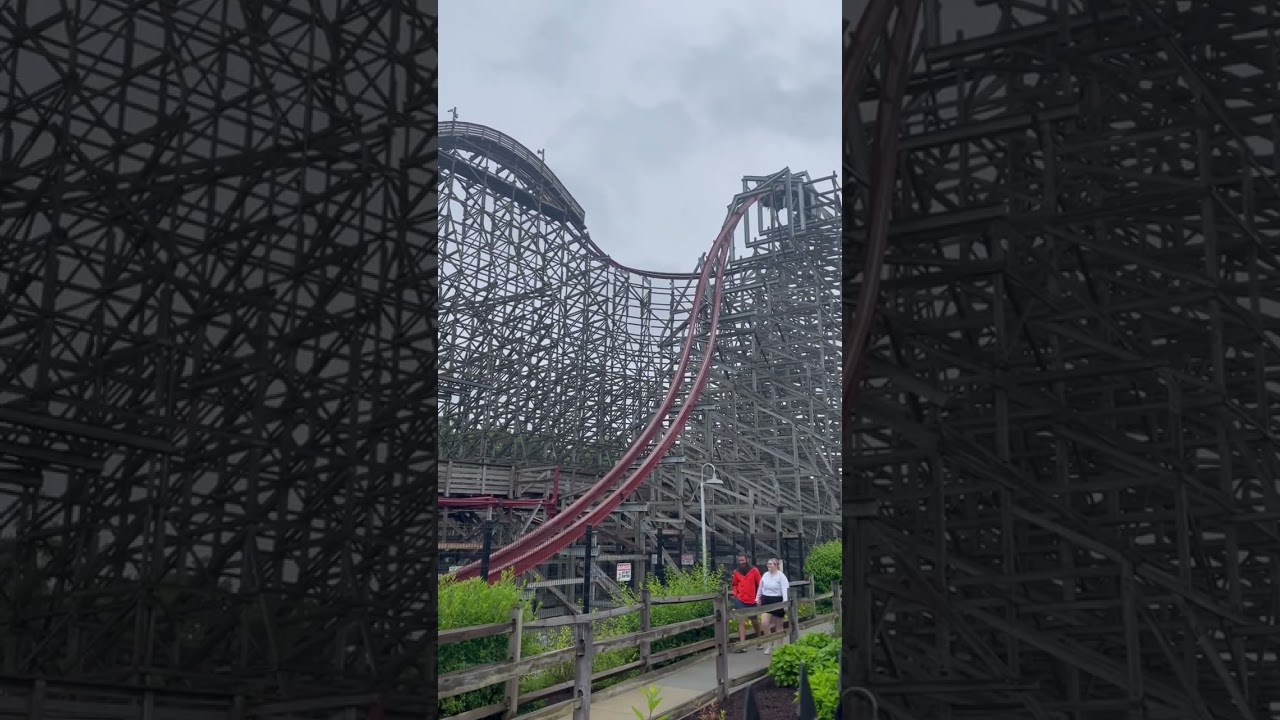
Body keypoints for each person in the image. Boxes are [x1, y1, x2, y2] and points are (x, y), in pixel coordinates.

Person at [755, 557, 790, 655]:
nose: (768, 565)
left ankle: (779, 647)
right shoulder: (765, 575)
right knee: (764, 623)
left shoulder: (781, 576)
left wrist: (785, 603)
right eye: (768, 564)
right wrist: (757, 598)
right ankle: (770, 644)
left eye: (770, 564)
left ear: (776, 565)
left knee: (778, 625)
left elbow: (785, 590)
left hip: (777, 600)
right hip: (767, 600)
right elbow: (760, 587)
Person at [730, 555, 762, 651]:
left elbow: (760, 584)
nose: (741, 562)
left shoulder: (754, 571)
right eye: (739, 560)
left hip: (752, 600)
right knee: (741, 621)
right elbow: (734, 584)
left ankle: (759, 641)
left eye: (742, 560)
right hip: (740, 600)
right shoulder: (736, 572)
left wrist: (759, 597)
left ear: (747, 560)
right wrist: (735, 594)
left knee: (755, 621)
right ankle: (742, 644)